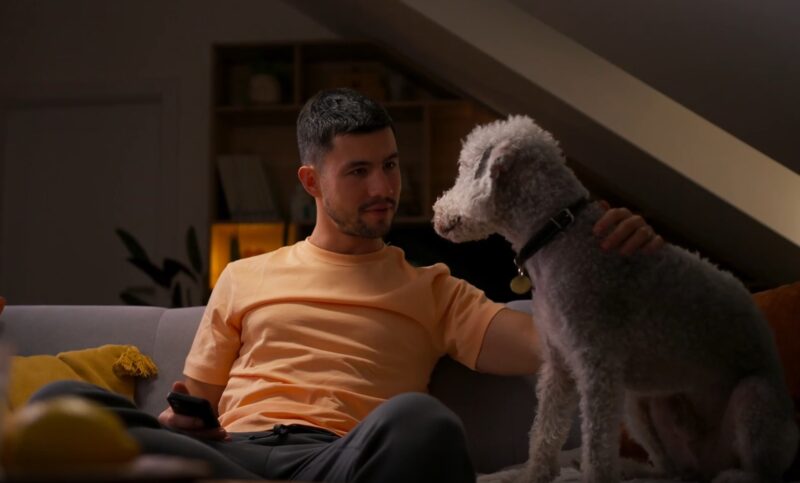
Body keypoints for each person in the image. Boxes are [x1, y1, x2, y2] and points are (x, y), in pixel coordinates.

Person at [31, 88, 663, 482]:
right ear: (311, 181)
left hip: (344, 462)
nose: (383, 188)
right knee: (63, 401)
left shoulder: (432, 287)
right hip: (234, 455)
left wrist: (611, 257)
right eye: (358, 171)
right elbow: (189, 404)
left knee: (421, 422)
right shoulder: (244, 276)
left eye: (389, 166)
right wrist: (180, 422)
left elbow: (566, 341)